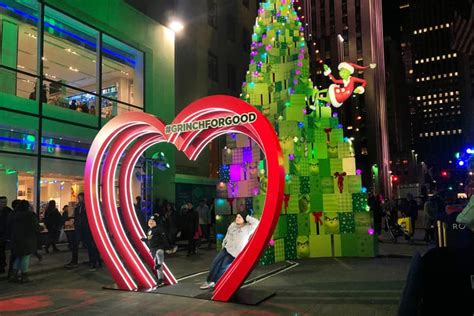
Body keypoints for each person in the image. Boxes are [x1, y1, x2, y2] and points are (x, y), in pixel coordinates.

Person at [200, 209, 260, 290]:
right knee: (215, 263)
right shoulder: (233, 225)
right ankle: (210, 281)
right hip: (226, 248)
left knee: (223, 267)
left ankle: (217, 282)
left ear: (244, 219)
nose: (237, 218)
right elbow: (228, 234)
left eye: (239, 217)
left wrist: (246, 216)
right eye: (237, 216)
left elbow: (257, 223)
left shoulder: (248, 228)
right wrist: (224, 242)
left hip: (234, 253)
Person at [65, 193, 101, 270]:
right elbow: (76, 216)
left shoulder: (88, 206)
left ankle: (94, 261)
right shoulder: (78, 206)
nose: (79, 199)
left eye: (80, 198)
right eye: (79, 198)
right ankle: (75, 261)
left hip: (86, 228)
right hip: (79, 228)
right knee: (76, 244)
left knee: (90, 245)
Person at [8, 200, 40, 283]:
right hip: (26, 240)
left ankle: (13, 275)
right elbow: (35, 227)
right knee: (25, 258)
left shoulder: (14, 215)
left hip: (16, 239)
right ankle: (24, 276)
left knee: (18, 257)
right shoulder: (29, 215)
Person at [142, 213, 169, 286]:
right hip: (152, 249)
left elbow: (164, 238)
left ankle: (159, 264)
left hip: (159, 247)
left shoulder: (159, 229)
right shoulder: (149, 230)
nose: (150, 222)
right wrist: (145, 239)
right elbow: (149, 238)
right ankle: (160, 279)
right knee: (157, 265)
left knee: (159, 253)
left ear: (156, 222)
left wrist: (166, 246)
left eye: (152, 221)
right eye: (149, 221)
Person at [0, 196, 13, 274]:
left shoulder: (8, 211)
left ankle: (2, 267)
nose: (4, 203)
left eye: (5, 202)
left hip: (4, 235)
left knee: (1, 251)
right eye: (2, 202)